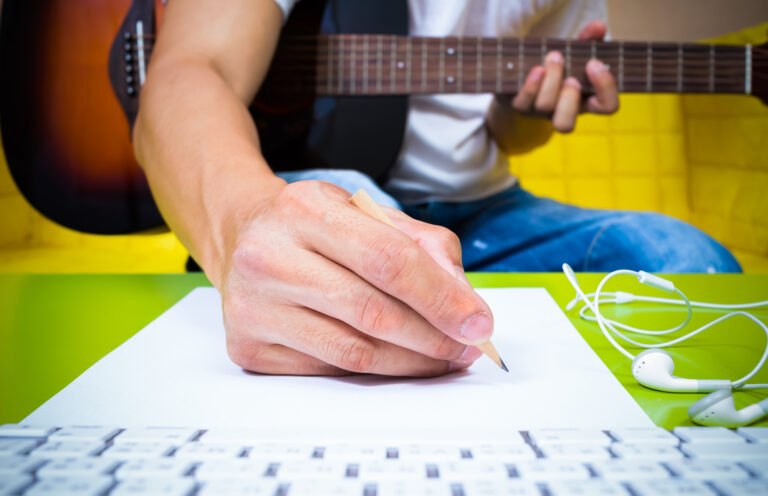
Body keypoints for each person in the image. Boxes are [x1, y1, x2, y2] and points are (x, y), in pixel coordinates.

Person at [133, 0, 741, 378]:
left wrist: (526, 104)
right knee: (378, 262)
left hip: (490, 205)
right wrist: (244, 219)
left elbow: (511, 136)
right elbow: (189, 70)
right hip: (327, 185)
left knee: (689, 261)